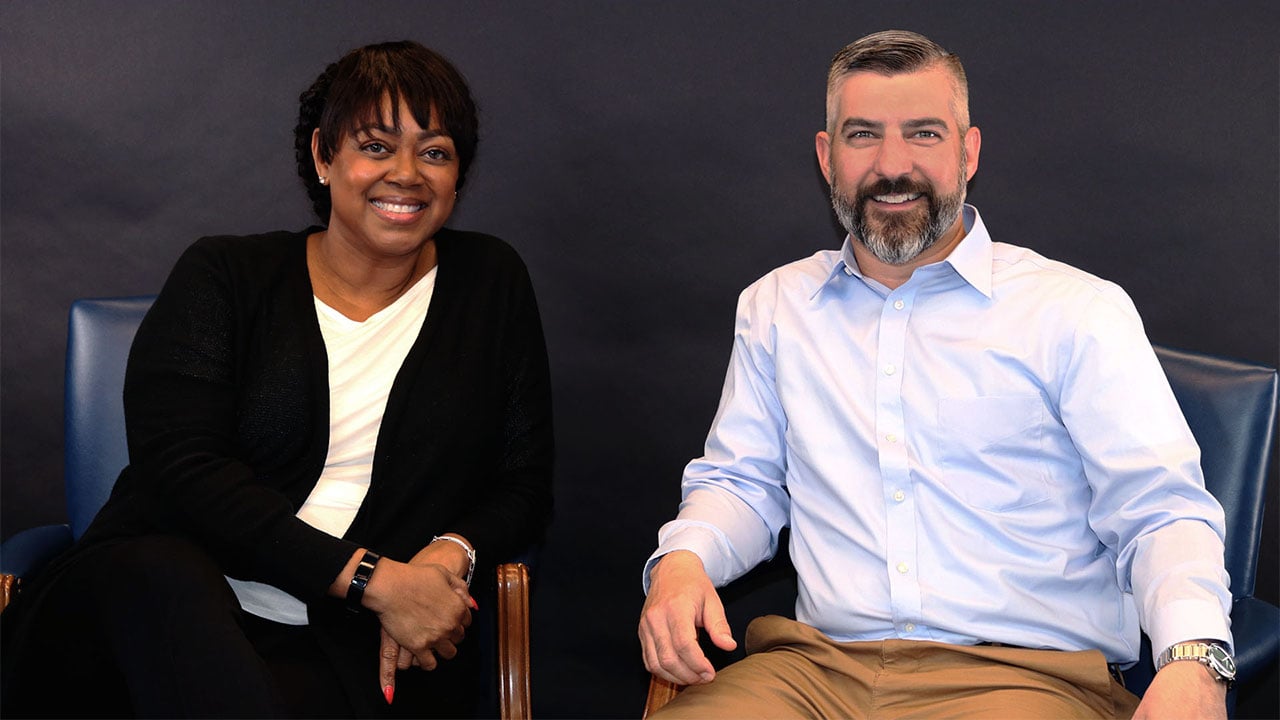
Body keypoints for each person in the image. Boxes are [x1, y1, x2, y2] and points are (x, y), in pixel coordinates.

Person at [639, 30, 1233, 720]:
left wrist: (1195, 659)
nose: (893, 165)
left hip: (1020, 680)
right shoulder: (776, 308)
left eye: (923, 134)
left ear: (968, 152)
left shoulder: (1077, 310)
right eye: (863, 136)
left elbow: (1158, 508)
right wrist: (682, 563)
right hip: (813, 672)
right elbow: (741, 483)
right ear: (828, 157)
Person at [1, 40, 553, 718]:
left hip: (343, 641)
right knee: (163, 574)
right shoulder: (226, 276)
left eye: (434, 152)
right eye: (375, 147)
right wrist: (371, 581)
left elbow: (523, 484)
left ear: (458, 174)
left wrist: (449, 555)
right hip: (147, 608)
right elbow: (182, 468)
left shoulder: (489, 283)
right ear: (324, 157)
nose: (407, 173)